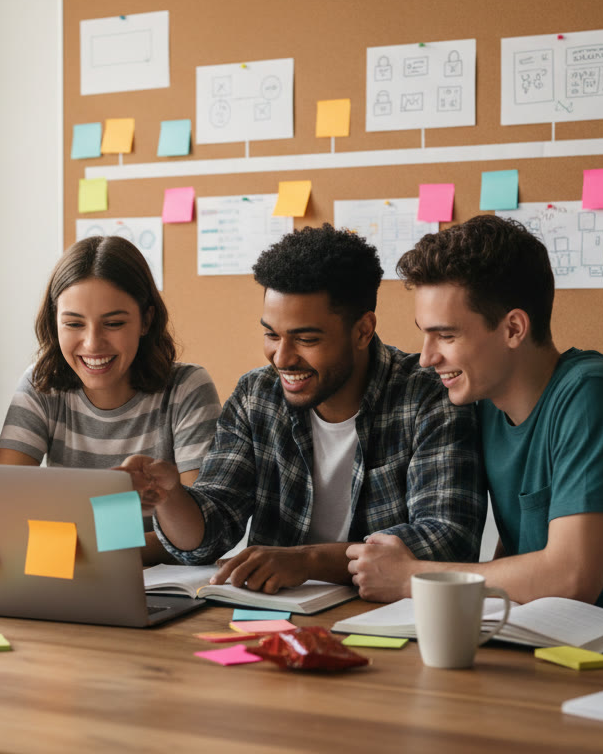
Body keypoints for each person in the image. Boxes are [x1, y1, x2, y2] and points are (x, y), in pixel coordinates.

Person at [347, 214, 603, 622]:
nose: (426, 357)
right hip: (564, 643)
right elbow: (521, 554)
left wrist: (413, 578)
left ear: (513, 328)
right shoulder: (486, 403)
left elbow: (572, 577)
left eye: (447, 335)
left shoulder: (593, 395)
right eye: (425, 333)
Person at [120, 224, 487, 593]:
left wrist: (308, 560)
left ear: (363, 330)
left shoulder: (427, 396)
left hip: (387, 616)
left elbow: (447, 540)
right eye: (271, 334)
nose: (282, 357)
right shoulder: (256, 395)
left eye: (306, 339)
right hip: (271, 617)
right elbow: (207, 538)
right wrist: (171, 498)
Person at [0, 236, 222, 564]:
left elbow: (200, 535)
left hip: (152, 581)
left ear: (146, 320)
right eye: (73, 324)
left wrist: (88, 549)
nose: (92, 343)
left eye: (113, 324)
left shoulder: (186, 389)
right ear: (54, 321)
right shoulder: (41, 385)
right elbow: (2, 504)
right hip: (66, 570)